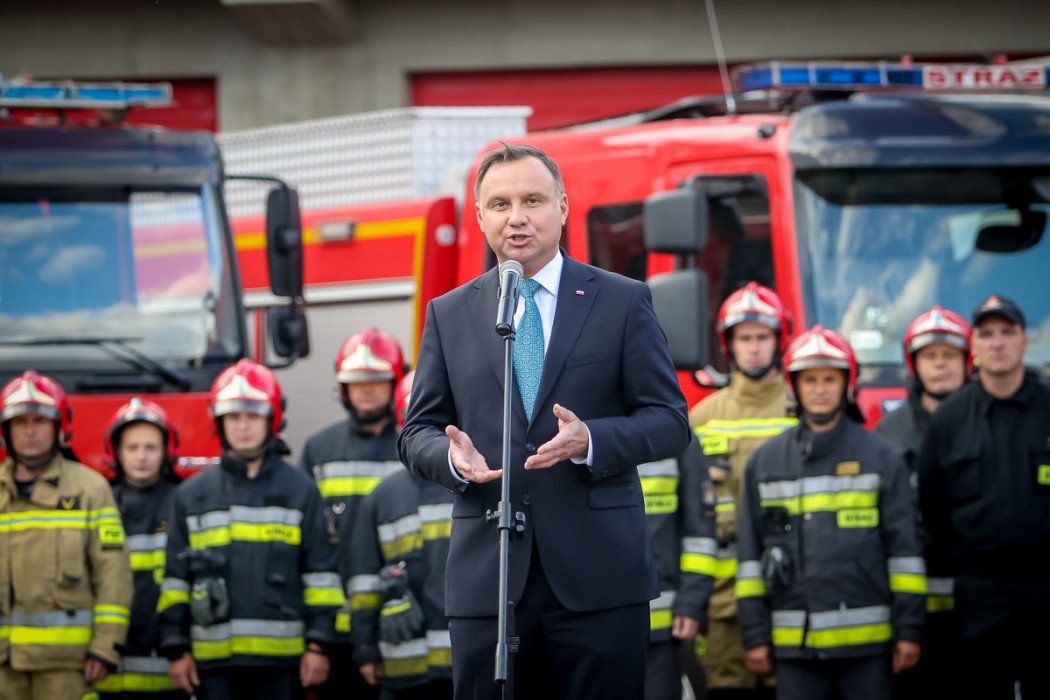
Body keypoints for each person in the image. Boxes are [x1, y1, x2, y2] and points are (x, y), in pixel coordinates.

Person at [397, 143, 691, 700]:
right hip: (490, 579)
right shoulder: (449, 313)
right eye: (500, 204)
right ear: (479, 217)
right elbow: (416, 432)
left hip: (599, 579)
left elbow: (670, 421)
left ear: (562, 207)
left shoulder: (622, 301)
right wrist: (450, 458)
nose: (517, 217)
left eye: (532, 200)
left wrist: (592, 439)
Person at [735, 326, 925, 700]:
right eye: (810, 380)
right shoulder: (765, 463)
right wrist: (755, 635)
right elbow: (750, 560)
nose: (819, 389)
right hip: (796, 646)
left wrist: (909, 630)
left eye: (829, 379)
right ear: (793, 385)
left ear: (847, 383)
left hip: (868, 647)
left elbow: (905, 553)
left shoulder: (882, 458)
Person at [157, 359, 345, 700]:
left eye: (252, 416)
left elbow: (321, 576)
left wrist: (318, 646)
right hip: (212, 664)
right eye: (233, 417)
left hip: (281, 664)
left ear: (272, 419)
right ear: (219, 422)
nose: (243, 426)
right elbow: (175, 580)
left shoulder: (300, 490)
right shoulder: (191, 495)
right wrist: (176, 649)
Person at [918, 295, 1050, 698]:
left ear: (1025, 341)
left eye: (1007, 332)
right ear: (973, 345)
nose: (998, 343)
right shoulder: (948, 420)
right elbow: (933, 505)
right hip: (981, 590)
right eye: (987, 334)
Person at [687, 282, 796, 700]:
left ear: (778, 340)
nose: (753, 348)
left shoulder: (801, 407)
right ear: (728, 344)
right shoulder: (703, 417)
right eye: (744, 338)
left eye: (762, 337)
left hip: (791, 591)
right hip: (723, 598)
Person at [0, 370, 132, 700]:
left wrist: (106, 646)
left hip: (65, 668)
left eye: (40, 421)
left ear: (59, 426)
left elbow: (113, 574)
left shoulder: (90, 489)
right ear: (6, 430)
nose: (30, 431)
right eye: (20, 422)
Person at [300, 327, 407, 700]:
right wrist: (317, 638)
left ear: (396, 382)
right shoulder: (319, 449)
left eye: (377, 380)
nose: (366, 390)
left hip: (402, 620)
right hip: (336, 627)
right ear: (342, 387)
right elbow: (308, 545)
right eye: (356, 381)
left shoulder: (415, 445)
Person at [349, 370, 455, 699]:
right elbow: (364, 580)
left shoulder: (481, 485)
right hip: (403, 666)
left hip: (468, 664)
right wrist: (365, 648)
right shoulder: (382, 498)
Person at [96, 398, 185, 700]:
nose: (142, 457)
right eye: (132, 448)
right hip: (108, 666)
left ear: (166, 450)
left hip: (166, 661)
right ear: (116, 452)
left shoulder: (183, 501)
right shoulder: (100, 502)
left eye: (151, 448)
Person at [640, 439, 716, 700]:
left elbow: (700, 534)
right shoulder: (580, 433)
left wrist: (692, 601)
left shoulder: (676, 436)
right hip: (592, 624)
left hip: (662, 625)